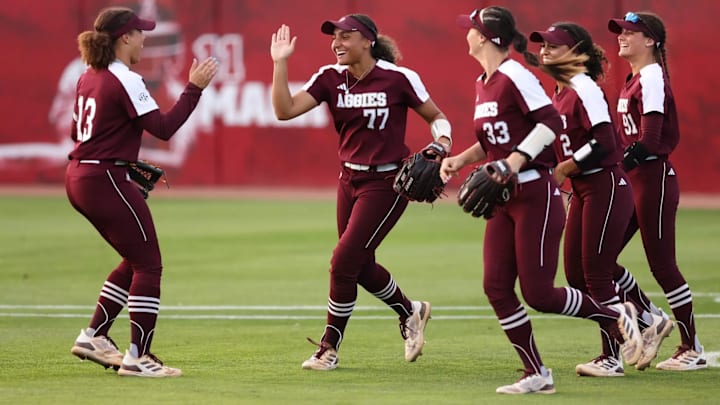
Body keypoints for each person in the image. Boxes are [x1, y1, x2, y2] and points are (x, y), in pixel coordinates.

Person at [441, 6, 643, 394]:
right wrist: (460, 161)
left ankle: (617, 315)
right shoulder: (484, 81)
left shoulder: (515, 74)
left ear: (485, 37)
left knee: (540, 293)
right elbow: (490, 141)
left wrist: (514, 163)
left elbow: (549, 123)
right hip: (505, 194)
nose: (466, 33)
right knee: (496, 286)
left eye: (471, 29)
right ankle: (536, 372)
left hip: (535, 191)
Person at [270, 14, 452, 371]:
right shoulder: (330, 78)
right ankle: (411, 311)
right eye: (333, 37)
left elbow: (436, 115)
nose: (336, 43)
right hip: (348, 180)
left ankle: (329, 349)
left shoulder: (398, 78)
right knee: (358, 264)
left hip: (387, 184)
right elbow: (284, 110)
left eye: (344, 36)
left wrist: (442, 142)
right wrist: (280, 63)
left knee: (342, 263)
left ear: (367, 40)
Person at [67, 7, 218, 377]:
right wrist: (194, 87)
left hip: (81, 176)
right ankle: (139, 357)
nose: (144, 38)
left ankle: (95, 335)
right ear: (124, 38)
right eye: (139, 33)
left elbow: (82, 135)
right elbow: (164, 127)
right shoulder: (124, 78)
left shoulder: (90, 75)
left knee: (134, 259)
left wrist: (121, 157)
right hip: (104, 180)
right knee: (149, 264)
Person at [530, 22, 674, 377]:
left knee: (595, 273)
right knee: (576, 274)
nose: (545, 51)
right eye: (543, 46)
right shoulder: (559, 90)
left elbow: (607, 142)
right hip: (584, 189)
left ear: (576, 52)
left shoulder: (584, 88)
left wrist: (566, 166)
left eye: (554, 46)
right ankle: (647, 317)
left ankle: (612, 356)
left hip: (605, 185)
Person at [608, 11, 706, 370]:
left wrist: (613, 172)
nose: (622, 36)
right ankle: (651, 318)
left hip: (653, 179)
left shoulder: (650, 76)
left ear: (650, 40)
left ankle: (691, 347)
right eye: (621, 31)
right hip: (636, 180)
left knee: (663, 265)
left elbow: (649, 141)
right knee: (601, 259)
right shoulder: (635, 78)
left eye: (630, 32)